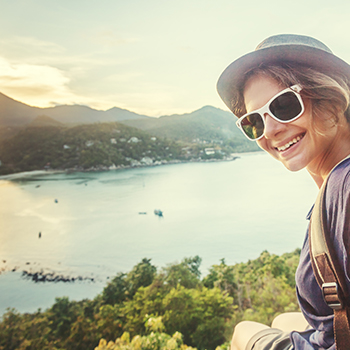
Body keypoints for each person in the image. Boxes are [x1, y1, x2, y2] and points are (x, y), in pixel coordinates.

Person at [217, 34, 350, 350]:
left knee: (243, 330)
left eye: (284, 105)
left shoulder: (344, 186)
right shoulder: (334, 185)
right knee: (280, 320)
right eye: (254, 121)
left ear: (332, 105)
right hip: (334, 334)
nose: (270, 131)